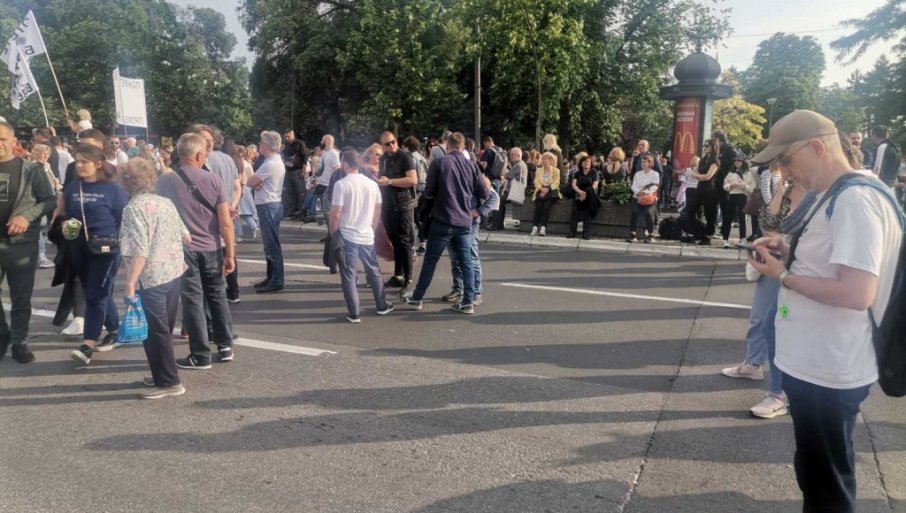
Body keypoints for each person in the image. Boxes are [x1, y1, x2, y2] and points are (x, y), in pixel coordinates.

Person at [749, 110, 903, 513]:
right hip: (823, 364)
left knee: (826, 486)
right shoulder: (848, 191)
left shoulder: (854, 200)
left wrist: (783, 276)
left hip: (827, 369)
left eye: (786, 160)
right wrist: (787, 248)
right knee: (821, 474)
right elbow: (834, 261)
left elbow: (856, 292)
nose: (784, 172)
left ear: (817, 146)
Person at [722, 159, 816, 419]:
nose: (784, 170)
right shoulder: (787, 188)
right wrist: (779, 191)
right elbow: (767, 222)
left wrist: (782, 241)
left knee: (780, 329)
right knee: (763, 320)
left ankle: (782, 393)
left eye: (788, 163)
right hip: (774, 264)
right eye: (782, 165)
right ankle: (760, 371)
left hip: (798, 270)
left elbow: (809, 238)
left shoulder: (819, 195)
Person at [157, 133, 236, 369]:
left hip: (182, 248)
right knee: (217, 295)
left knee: (192, 299)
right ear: (199, 155)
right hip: (211, 247)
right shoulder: (214, 181)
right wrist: (230, 254)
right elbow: (225, 223)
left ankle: (200, 354)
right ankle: (225, 345)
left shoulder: (165, 181)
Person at [119, 158, 189, 399]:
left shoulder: (133, 209)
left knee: (155, 332)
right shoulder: (165, 202)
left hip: (150, 278)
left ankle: (169, 382)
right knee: (163, 329)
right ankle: (162, 375)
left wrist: (130, 282)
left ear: (126, 182)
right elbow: (186, 235)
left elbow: (139, 249)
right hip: (173, 272)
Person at [403, 132, 490, 314]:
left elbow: (428, 192)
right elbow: (484, 192)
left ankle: (417, 298)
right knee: (466, 261)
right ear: (463, 147)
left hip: (443, 219)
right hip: (464, 221)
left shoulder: (439, 163)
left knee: (430, 261)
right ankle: (468, 301)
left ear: (447, 146)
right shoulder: (471, 165)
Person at [60, 144, 129, 364]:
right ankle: (115, 328)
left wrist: (121, 246)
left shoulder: (113, 189)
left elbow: (123, 218)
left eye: (84, 161)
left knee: (95, 294)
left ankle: (87, 344)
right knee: (97, 291)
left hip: (105, 249)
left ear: (98, 164)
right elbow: (66, 213)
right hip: (79, 247)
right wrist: (64, 224)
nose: (79, 165)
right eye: (77, 161)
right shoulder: (73, 188)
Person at [0, 122, 57, 364]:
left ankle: (19, 342)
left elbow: (49, 201)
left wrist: (26, 216)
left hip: (21, 244)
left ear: (13, 141)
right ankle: (3, 335)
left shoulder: (31, 170)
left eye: (2, 139)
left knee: (20, 298)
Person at [329, 149, 394, 323]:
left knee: (349, 275)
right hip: (366, 233)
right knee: (373, 270)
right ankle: (381, 305)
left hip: (347, 234)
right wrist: (372, 228)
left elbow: (335, 214)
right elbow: (377, 210)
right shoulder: (372, 184)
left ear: (345, 164)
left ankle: (354, 313)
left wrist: (333, 234)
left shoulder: (341, 184)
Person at [444, 174, 499, 307]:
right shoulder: (449, 173)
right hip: (452, 222)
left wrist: (479, 212)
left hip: (470, 224)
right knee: (455, 258)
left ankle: (476, 293)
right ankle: (458, 288)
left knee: (471, 258)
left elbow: (494, 197)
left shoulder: (474, 175)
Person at [378, 130, 418, 294]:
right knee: (394, 241)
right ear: (382, 146)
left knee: (405, 241)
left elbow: (412, 180)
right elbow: (382, 178)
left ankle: (408, 279)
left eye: (393, 141)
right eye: (387, 144)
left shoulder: (404, 157)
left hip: (403, 205)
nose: (392, 146)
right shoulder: (383, 159)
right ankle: (398, 275)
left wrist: (389, 182)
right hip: (388, 205)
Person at [248, 131, 286, 294]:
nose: (259, 145)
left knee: (271, 246)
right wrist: (256, 183)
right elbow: (254, 182)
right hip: (271, 205)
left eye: (261, 143)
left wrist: (255, 183)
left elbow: (250, 181)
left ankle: (276, 280)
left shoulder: (270, 163)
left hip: (268, 205)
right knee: (270, 245)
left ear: (267, 146)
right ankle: (272, 277)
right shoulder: (274, 161)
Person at [682, 140, 721, 245]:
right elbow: (695, 172)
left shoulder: (715, 161)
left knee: (710, 214)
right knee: (689, 210)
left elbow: (708, 177)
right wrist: (699, 176)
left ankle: (708, 236)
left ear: (713, 147)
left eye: (707, 146)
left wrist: (698, 176)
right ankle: (695, 232)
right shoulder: (703, 160)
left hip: (710, 190)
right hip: (699, 188)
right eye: (704, 145)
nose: (705, 147)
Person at [720, 153, 753, 248]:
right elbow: (725, 185)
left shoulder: (748, 173)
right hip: (732, 196)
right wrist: (731, 185)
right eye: (735, 161)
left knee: (742, 218)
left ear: (743, 162)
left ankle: (743, 239)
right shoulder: (731, 173)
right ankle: (725, 240)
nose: (737, 162)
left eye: (739, 161)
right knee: (728, 218)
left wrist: (743, 186)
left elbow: (752, 187)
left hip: (742, 196)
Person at [628, 153, 660, 243]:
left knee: (648, 213)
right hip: (637, 196)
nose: (642, 164)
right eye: (642, 162)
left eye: (644, 162)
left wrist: (645, 193)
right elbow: (633, 186)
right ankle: (632, 234)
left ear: (650, 163)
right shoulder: (637, 174)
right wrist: (638, 193)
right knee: (634, 211)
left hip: (649, 197)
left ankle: (650, 234)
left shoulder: (655, 174)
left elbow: (655, 186)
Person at [567, 155, 601, 239]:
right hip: (579, 193)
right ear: (581, 163)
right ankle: (572, 231)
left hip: (589, 194)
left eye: (588, 162)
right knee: (575, 211)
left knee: (587, 212)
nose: (587, 163)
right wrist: (580, 192)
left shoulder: (594, 172)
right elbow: (574, 184)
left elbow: (595, 185)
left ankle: (585, 233)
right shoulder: (577, 173)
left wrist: (585, 193)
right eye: (585, 161)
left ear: (591, 163)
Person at [310, 134, 340, 221]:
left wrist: (333, 185)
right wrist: (316, 180)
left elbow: (337, 169)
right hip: (321, 184)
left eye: (322, 141)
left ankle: (332, 229)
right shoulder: (324, 153)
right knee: (324, 210)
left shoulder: (333, 153)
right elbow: (321, 169)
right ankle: (329, 229)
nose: (321, 142)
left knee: (327, 210)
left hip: (328, 185)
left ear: (327, 141)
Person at [530, 152, 561, 236]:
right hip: (541, 191)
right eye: (542, 159)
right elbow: (536, 181)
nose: (543, 161)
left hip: (551, 192)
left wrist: (547, 190)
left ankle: (543, 227)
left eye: (545, 159)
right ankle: (535, 227)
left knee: (546, 206)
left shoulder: (556, 171)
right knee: (538, 206)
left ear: (551, 160)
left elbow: (556, 183)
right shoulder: (538, 170)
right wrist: (542, 189)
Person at [234, 145, 260, 242]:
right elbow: (252, 176)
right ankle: (254, 227)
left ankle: (239, 234)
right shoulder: (247, 164)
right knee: (246, 211)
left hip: (237, 189)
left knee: (236, 213)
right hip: (247, 189)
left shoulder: (234, 163)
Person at [281, 129, 308, 218]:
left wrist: (303, 171)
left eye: (288, 136)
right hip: (288, 170)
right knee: (290, 191)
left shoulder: (300, 143)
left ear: (293, 135)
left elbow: (305, 158)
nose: (286, 138)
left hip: (298, 170)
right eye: (285, 137)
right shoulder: (286, 145)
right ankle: (292, 211)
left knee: (300, 191)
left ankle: (301, 211)